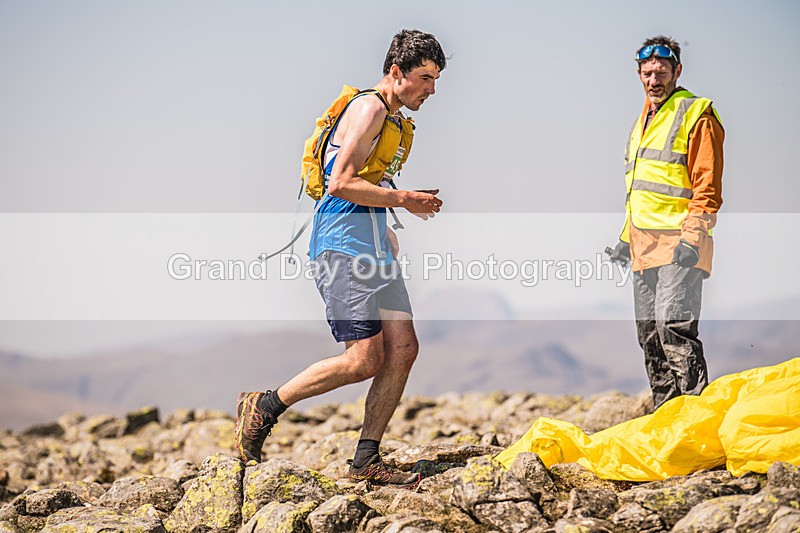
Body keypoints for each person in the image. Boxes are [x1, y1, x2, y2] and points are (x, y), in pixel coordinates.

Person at [235, 29, 446, 487]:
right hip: (342, 247)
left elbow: (367, 182)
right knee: (363, 360)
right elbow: (340, 183)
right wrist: (405, 198)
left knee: (404, 349)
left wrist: (387, 221)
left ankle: (366, 459)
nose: (431, 90)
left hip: (372, 246)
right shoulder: (370, 108)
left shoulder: (392, 118)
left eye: (435, 79)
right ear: (397, 72)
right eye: (425, 78)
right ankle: (265, 405)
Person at [608, 35, 724, 409]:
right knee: (649, 335)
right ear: (639, 74)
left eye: (661, 72)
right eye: (647, 73)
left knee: (673, 328)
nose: (654, 80)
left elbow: (707, 185)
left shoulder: (696, 113)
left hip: (681, 244)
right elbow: (639, 190)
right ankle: (665, 416)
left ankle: (695, 418)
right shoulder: (641, 121)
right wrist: (626, 240)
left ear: (677, 71)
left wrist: (693, 237)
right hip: (643, 247)